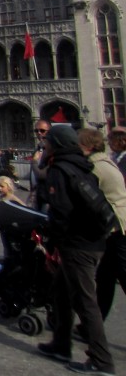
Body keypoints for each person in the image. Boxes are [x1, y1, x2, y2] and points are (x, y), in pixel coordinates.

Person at [37, 125, 116, 376]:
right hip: (94, 239)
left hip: (78, 243)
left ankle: (101, 360)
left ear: (56, 144)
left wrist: (50, 245)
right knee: (60, 291)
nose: (44, 143)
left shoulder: (60, 170)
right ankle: (61, 344)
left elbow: (60, 213)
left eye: (47, 140)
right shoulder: (82, 165)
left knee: (85, 300)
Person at [79, 129, 126, 327]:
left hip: (117, 227)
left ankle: (91, 325)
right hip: (114, 227)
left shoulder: (96, 166)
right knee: (105, 278)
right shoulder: (105, 161)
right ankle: (91, 325)